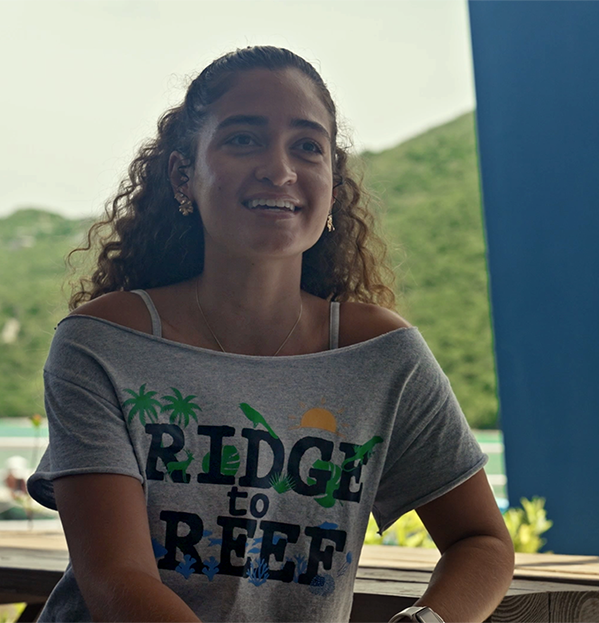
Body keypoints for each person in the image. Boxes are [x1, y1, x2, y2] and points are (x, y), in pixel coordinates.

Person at [27, 46, 513, 623]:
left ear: (333, 184)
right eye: (243, 139)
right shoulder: (103, 343)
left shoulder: (381, 356)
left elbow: (482, 542)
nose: (279, 170)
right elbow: (117, 579)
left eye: (307, 146)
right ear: (184, 175)